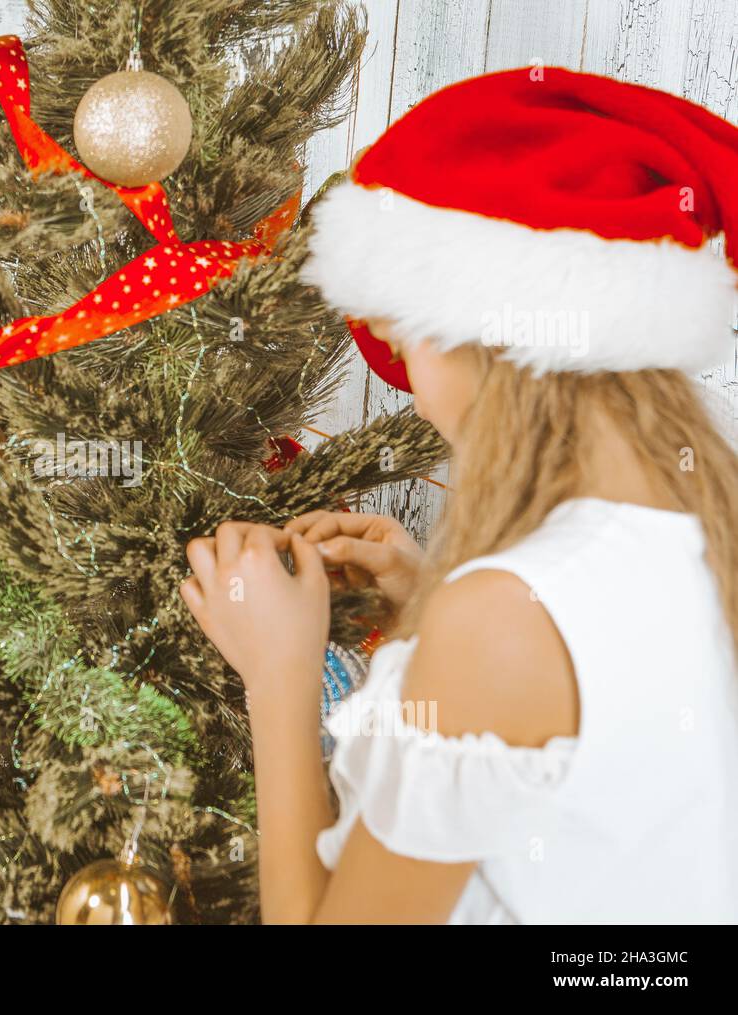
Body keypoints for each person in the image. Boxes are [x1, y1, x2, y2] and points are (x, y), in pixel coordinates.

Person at [179, 66, 738, 923]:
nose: (416, 393)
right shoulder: (704, 534)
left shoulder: (500, 619)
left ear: (481, 339)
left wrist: (279, 674)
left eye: (408, 350)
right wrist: (431, 596)